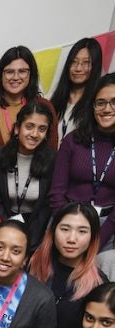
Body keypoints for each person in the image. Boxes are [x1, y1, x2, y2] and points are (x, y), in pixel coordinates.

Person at [49, 73, 115, 250]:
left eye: (114, 102)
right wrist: (65, 228)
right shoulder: (73, 140)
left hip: (105, 226)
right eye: (100, 102)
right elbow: (56, 191)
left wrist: (96, 242)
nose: (107, 109)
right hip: (65, 219)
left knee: (93, 277)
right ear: (92, 106)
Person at [29, 202, 106, 328]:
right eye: (65, 229)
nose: (71, 239)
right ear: (53, 231)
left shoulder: (98, 285)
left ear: (92, 237)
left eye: (82, 231)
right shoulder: (33, 264)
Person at [0, 101, 56, 251]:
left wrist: (31, 242)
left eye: (42, 129)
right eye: (29, 126)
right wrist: (8, 229)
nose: (35, 134)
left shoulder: (53, 160)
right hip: (3, 228)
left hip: (37, 233)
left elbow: (46, 207)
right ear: (17, 128)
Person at [0, 46, 58, 150]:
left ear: (31, 74)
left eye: (22, 71)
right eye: (9, 72)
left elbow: (52, 151)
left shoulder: (45, 106)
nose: (16, 77)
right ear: (0, 75)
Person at [50, 37, 103, 144]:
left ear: (95, 66)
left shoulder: (99, 103)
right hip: (50, 159)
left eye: (86, 63)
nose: (78, 68)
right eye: (74, 62)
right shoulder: (52, 98)